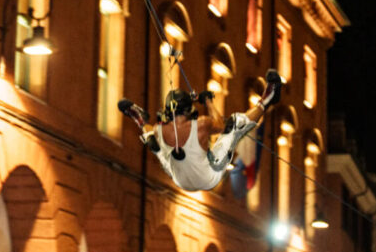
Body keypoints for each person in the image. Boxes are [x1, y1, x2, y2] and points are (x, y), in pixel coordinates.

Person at [118, 69, 281, 192]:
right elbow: (221, 124)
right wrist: (208, 101)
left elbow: (156, 132)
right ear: (189, 109)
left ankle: (139, 119)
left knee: (154, 142)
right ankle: (268, 99)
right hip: (208, 177)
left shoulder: (160, 130)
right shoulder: (201, 125)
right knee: (235, 125)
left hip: (181, 180)